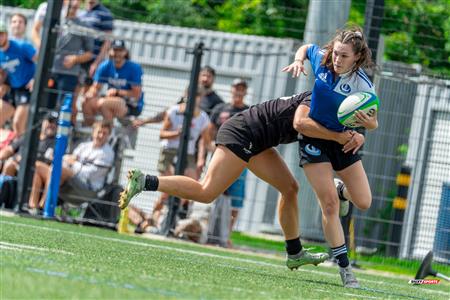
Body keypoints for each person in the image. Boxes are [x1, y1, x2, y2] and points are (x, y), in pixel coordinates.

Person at [119, 91, 345, 269]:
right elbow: (301, 125)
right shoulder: (315, 101)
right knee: (206, 192)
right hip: (242, 133)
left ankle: (295, 253)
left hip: (258, 140)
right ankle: (145, 181)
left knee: (289, 188)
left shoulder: (323, 105)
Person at [282, 26, 379, 288]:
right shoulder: (324, 60)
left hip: (342, 140)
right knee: (329, 206)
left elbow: (373, 123)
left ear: (357, 58)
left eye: (344, 56)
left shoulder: (363, 85)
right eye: (336, 53)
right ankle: (345, 269)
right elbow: (307, 48)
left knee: (364, 201)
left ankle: (341, 190)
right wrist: (298, 60)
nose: (337, 59)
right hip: (315, 139)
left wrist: (364, 126)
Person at [150, 88, 210, 229]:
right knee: (165, 192)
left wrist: (201, 158)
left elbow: (203, 141)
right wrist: (177, 133)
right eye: (191, 95)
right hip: (170, 151)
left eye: (197, 95)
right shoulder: (174, 111)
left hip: (188, 154)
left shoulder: (203, 117)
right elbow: (162, 134)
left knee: (191, 190)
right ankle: (152, 219)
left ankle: (170, 220)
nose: (193, 98)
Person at [29, 120, 114, 210]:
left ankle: (43, 206)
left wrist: (73, 164)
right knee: (38, 166)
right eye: (99, 132)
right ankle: (33, 205)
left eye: (104, 133)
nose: (101, 136)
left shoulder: (107, 153)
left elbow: (90, 174)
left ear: (108, 136)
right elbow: (66, 160)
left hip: (88, 187)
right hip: (71, 179)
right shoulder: (84, 146)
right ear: (93, 132)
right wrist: (70, 163)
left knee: (57, 169)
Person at [208, 78, 249, 245]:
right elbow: (209, 133)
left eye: (242, 88)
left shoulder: (248, 110)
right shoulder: (220, 109)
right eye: (236, 88)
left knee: (236, 200)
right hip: (219, 156)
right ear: (231, 89)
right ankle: (210, 233)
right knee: (212, 193)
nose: (238, 91)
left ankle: (226, 236)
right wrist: (212, 148)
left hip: (240, 160)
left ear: (245, 91)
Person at [48, 0, 93, 120]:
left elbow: (90, 53)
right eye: (70, 6)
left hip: (68, 74)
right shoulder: (54, 21)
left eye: (75, 7)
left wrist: (76, 58)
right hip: (50, 70)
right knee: (46, 105)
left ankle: (63, 133)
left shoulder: (82, 26)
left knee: (64, 107)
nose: (72, 9)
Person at [82, 40, 144, 125]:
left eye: (120, 50)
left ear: (125, 52)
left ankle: (108, 132)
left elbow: (137, 94)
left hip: (130, 105)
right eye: (115, 50)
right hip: (109, 99)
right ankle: (92, 130)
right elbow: (96, 87)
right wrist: (90, 93)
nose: (117, 53)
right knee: (86, 102)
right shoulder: (105, 66)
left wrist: (117, 92)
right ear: (110, 51)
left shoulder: (134, 68)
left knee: (104, 103)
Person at [0, 23, 37, 136]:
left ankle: (21, 151)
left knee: (18, 124)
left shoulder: (22, 46)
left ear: (6, 35)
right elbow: (2, 72)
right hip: (13, 88)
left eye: (1, 34)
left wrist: (36, 79)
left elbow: (41, 61)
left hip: (27, 88)